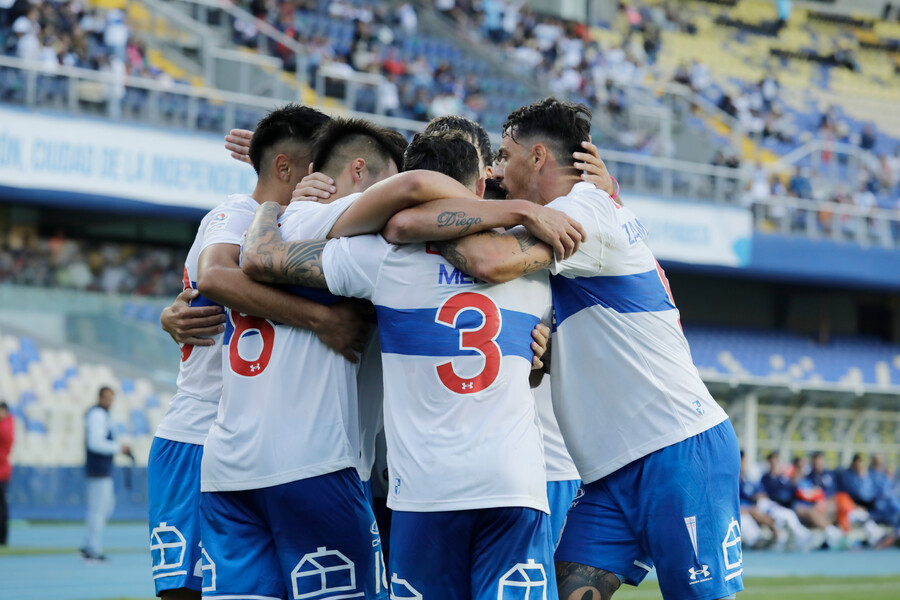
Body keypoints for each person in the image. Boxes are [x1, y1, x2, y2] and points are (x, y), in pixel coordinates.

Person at [369, 97, 743, 600]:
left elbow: (487, 259)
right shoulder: (585, 208)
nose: (497, 169)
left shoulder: (582, 209)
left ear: (539, 156)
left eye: (505, 154)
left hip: (675, 449)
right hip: (612, 470)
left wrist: (412, 217)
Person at [240, 131, 573, 599]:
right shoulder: (530, 258)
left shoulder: (381, 257)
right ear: (479, 188)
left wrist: (271, 205)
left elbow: (261, 258)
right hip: (514, 485)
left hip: (425, 491)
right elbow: (532, 369)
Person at [151, 104, 374, 599]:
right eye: (320, 166)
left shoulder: (287, 226)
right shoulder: (238, 214)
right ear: (290, 168)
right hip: (199, 433)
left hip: (246, 438)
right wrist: (321, 319)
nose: (329, 180)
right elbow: (214, 278)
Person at [199, 116, 407, 600]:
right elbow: (415, 206)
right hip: (316, 461)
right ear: (359, 173)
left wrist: (279, 189)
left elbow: (208, 281)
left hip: (230, 465)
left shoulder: (263, 219)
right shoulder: (354, 231)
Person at [83, 386, 132, 562]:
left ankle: (90, 545)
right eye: (107, 398)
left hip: (102, 470)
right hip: (98, 470)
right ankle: (92, 548)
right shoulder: (97, 415)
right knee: (98, 510)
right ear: (100, 397)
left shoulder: (102, 415)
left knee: (104, 507)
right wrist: (118, 447)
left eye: (112, 398)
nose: (109, 401)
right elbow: (95, 443)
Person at [0, 401, 13, 546]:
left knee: (2, 507)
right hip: (3, 470)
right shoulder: (7, 424)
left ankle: (3, 537)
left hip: (2, 471)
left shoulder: (5, 426)